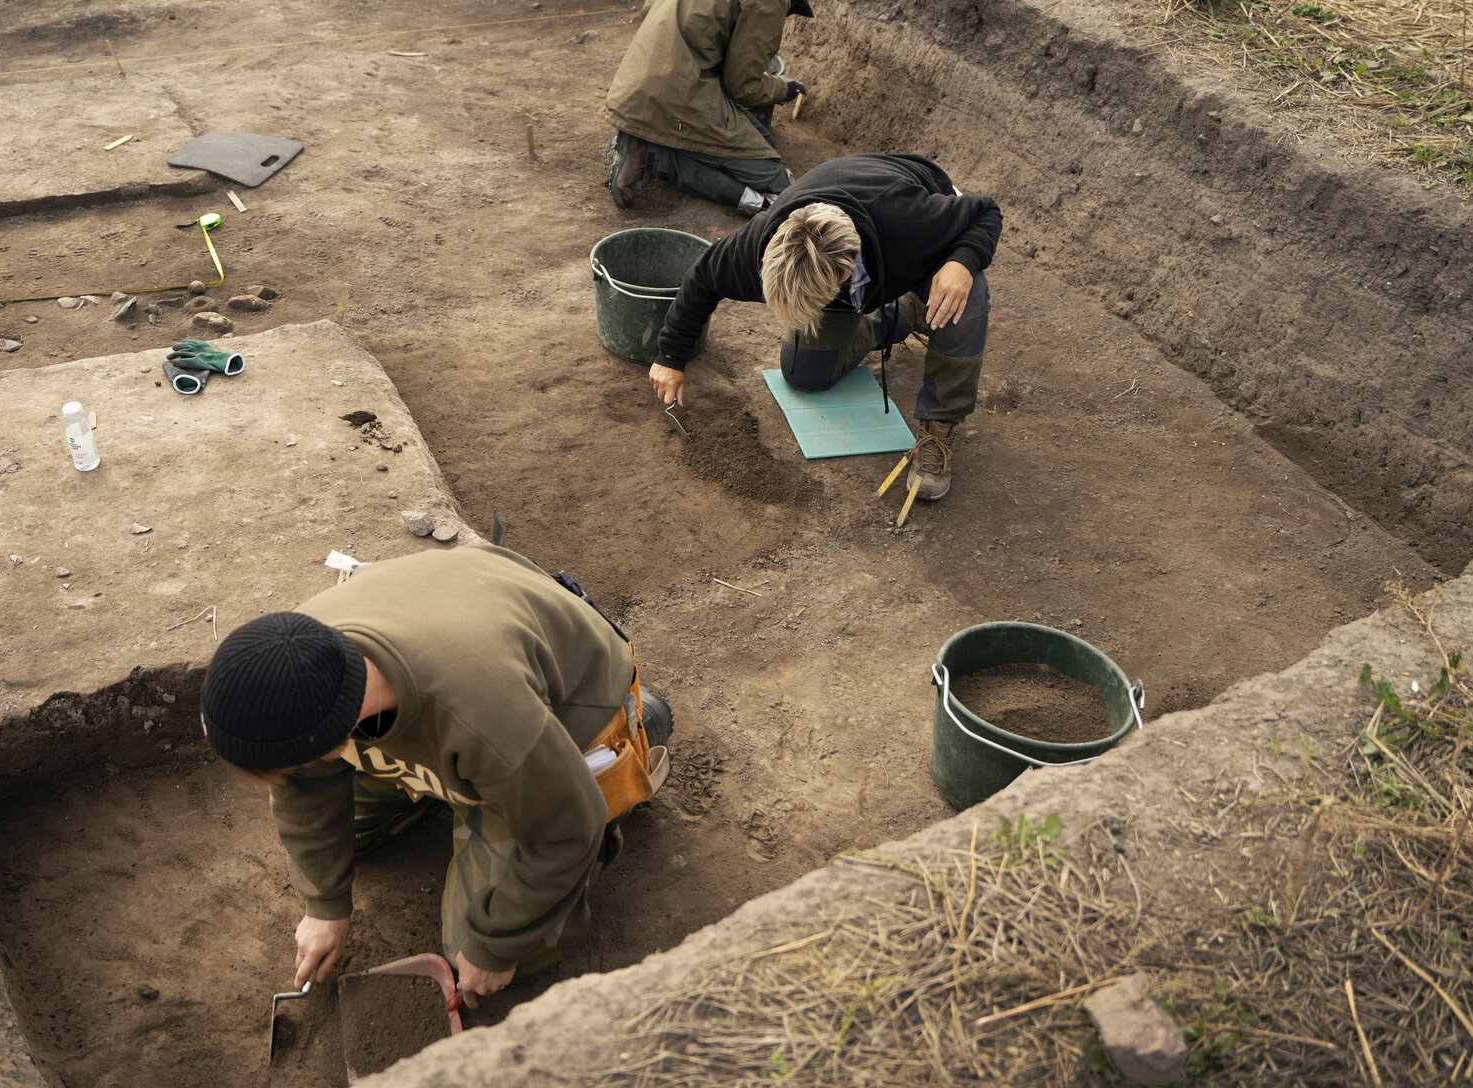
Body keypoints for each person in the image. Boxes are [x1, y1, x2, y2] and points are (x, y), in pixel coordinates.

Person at [197, 544, 671, 1008]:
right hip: (471, 675)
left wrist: (496, 946)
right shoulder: (303, 670)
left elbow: (569, 829)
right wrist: (324, 904)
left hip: (563, 709)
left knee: (485, 951)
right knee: (348, 840)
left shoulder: (483, 714)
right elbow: (302, 785)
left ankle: (639, 723)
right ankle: (464, 785)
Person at [647, 153, 1002, 502]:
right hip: (851, 257)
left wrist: (963, 260)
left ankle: (939, 426)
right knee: (804, 374)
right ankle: (907, 314)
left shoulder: (909, 219)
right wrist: (670, 355)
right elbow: (702, 277)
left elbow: (986, 212)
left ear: (845, 277)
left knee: (965, 301)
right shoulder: (758, 243)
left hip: (921, 237)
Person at [603, 0, 828, 216]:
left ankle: (644, 136)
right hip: (678, 94)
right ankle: (655, 156)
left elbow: (649, 10)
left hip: (634, 86)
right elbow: (742, 86)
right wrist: (782, 88)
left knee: (765, 142)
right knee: (777, 184)